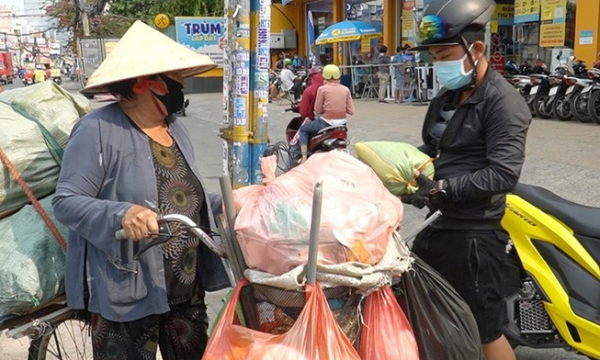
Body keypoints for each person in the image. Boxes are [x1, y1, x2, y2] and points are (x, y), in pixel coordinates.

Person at [52, 21, 230, 360]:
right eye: (175, 79)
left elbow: (188, 198)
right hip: (127, 290)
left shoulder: (177, 129)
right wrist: (123, 213)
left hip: (184, 290)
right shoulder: (97, 129)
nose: (182, 85)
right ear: (143, 83)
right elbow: (67, 201)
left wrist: (235, 202)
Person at [401, 1, 532, 360]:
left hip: (476, 234)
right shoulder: (449, 96)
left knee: (484, 328)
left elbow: (504, 173)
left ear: (475, 49)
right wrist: (405, 172)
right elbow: (433, 147)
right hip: (443, 224)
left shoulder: (504, 102)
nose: (438, 64)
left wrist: (444, 188)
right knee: (429, 310)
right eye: (434, 57)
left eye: (444, 54)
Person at [298, 64, 353, 163]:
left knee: (303, 129)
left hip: (326, 123)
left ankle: (304, 157)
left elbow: (317, 110)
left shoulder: (322, 89)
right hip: (342, 124)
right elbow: (351, 111)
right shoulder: (345, 89)